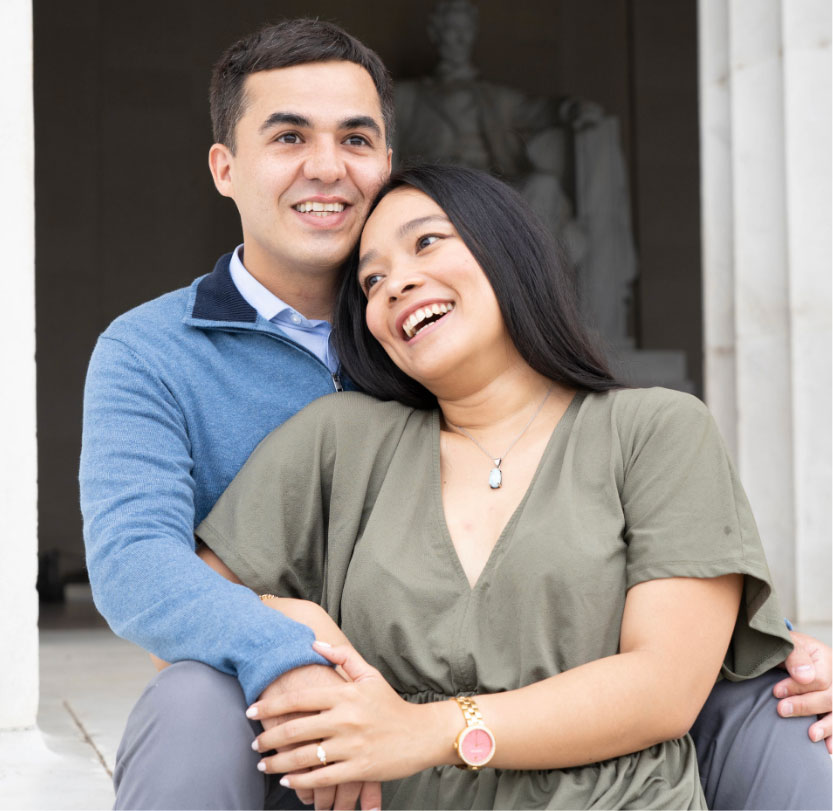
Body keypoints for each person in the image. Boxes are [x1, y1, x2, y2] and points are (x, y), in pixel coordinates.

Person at [78, 17, 832, 811]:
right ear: (225, 167)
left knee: (776, 703)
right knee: (190, 696)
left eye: (356, 139)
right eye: (290, 137)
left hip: (553, 743)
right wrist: (284, 637)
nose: (327, 166)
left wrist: (750, 641)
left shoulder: (618, 417)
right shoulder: (163, 357)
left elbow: (645, 629)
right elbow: (140, 568)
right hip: (323, 736)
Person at [193, 165, 830, 809]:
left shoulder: (655, 429)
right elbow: (193, 596)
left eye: (426, 243)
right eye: (372, 280)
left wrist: (431, 730)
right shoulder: (341, 439)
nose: (396, 285)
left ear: (506, 251)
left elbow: (665, 685)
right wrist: (292, 627)